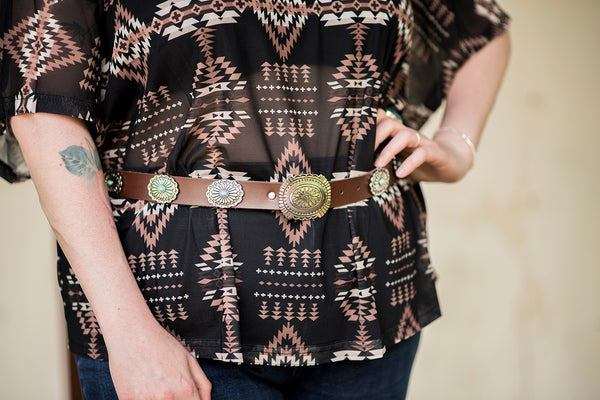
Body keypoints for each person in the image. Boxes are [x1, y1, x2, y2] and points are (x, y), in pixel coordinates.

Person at [0, 0, 510, 399]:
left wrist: (456, 146)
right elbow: (43, 110)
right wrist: (127, 330)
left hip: (372, 299)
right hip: (173, 317)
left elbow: (481, 29)